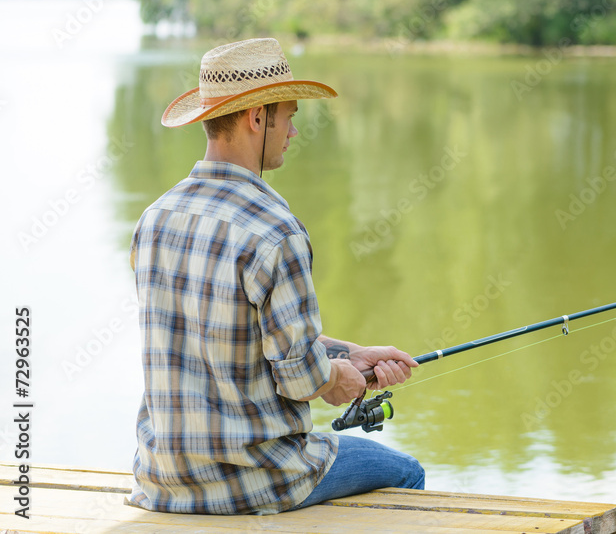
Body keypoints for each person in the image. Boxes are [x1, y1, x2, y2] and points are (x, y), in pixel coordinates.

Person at [125, 38, 424, 515]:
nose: (294, 131)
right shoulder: (274, 230)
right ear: (255, 117)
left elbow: (245, 336)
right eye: (288, 116)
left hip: (162, 478)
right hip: (258, 479)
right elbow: (301, 376)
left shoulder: (155, 219)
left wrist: (354, 355)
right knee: (408, 471)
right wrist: (340, 381)